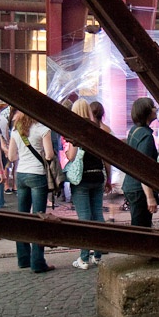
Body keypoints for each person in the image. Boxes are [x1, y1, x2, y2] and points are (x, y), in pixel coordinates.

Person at [8, 112, 56, 273]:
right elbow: (49, 155)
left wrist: (23, 156)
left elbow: (11, 156)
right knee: (38, 217)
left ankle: (23, 259)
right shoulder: (43, 129)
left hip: (21, 174)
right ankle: (37, 262)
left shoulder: (16, 129)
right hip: (37, 174)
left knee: (22, 217)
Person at [67, 99, 110, 269]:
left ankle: (84, 258)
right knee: (98, 216)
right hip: (97, 176)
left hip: (82, 179)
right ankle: (98, 255)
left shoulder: (76, 129)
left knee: (84, 218)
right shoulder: (99, 129)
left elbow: (71, 156)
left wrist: (68, 152)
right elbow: (106, 158)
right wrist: (108, 179)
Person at [123, 97, 159, 227]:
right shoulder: (146, 136)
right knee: (142, 227)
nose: (155, 109)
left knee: (138, 224)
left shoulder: (135, 130)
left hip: (132, 186)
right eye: (153, 107)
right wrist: (150, 197)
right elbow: (143, 169)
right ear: (147, 112)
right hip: (140, 190)